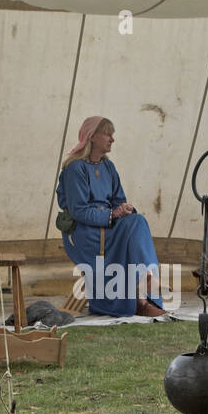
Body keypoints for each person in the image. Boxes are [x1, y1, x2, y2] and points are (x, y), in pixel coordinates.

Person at [56, 116, 166, 317]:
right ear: (91, 137)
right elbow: (79, 210)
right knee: (133, 230)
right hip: (84, 232)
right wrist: (112, 214)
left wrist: (124, 209)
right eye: (107, 133)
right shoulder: (75, 168)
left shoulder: (108, 167)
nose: (112, 139)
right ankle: (142, 291)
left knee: (137, 220)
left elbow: (118, 200)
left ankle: (142, 291)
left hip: (108, 226)